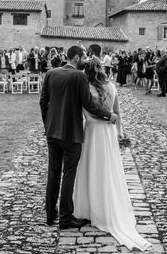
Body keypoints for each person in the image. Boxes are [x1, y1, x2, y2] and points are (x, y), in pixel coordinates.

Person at [73, 58, 153, 251]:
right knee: (108, 170)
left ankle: (90, 209)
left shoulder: (85, 88)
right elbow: (117, 112)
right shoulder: (111, 87)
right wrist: (120, 133)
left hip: (91, 132)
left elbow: (81, 112)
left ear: (86, 71)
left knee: (91, 168)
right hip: (108, 133)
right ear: (101, 69)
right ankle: (107, 208)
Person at [39, 46, 118, 229]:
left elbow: (43, 101)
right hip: (72, 135)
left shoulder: (51, 73)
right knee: (68, 175)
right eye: (83, 57)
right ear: (76, 57)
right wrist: (108, 115)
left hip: (52, 133)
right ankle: (66, 218)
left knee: (53, 173)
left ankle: (50, 215)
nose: (85, 60)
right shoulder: (80, 76)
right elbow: (89, 105)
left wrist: (48, 125)